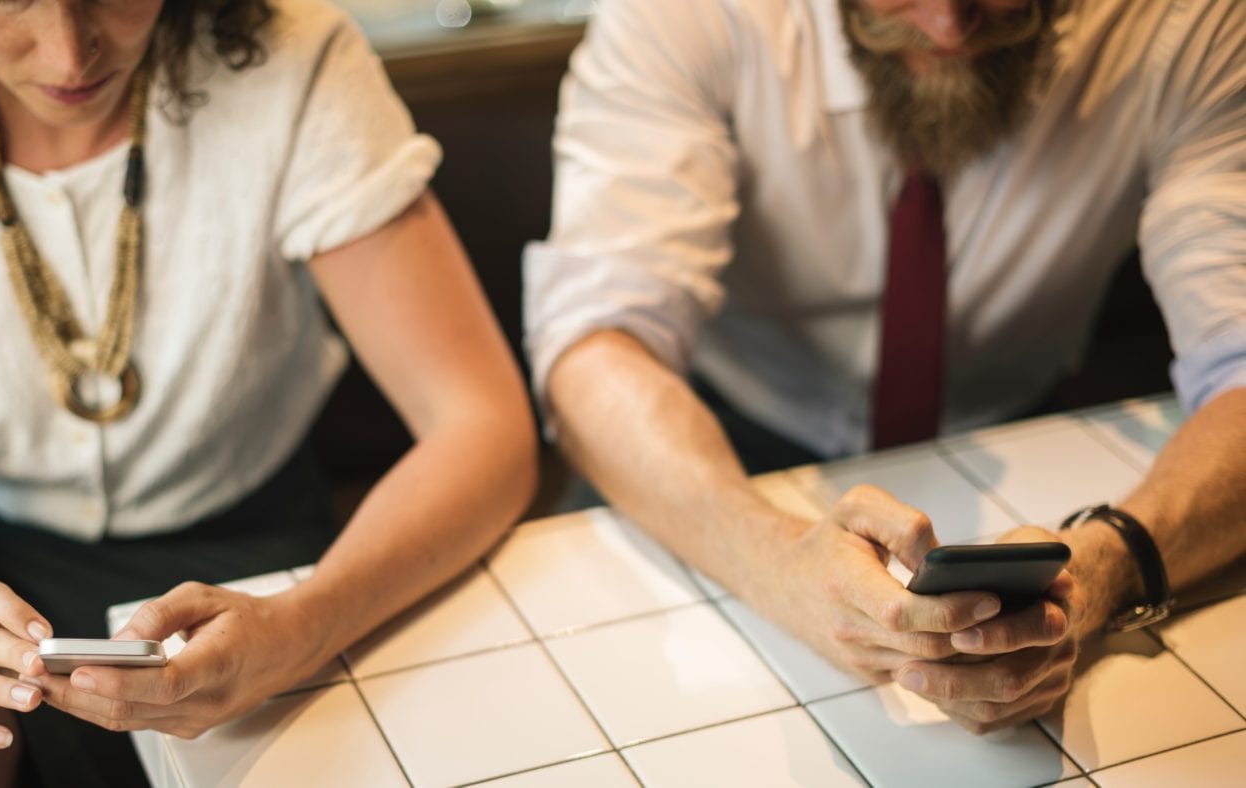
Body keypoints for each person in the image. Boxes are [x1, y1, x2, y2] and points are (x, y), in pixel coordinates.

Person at [0, 1, 538, 785]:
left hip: (245, 543)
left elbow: (482, 424)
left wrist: (306, 624)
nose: (71, 55)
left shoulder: (290, 59)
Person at [525, 0, 1245, 734]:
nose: (948, 27)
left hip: (1017, 439)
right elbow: (599, 342)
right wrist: (773, 562)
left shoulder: (1183, 20)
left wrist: (1098, 574)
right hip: (719, 447)